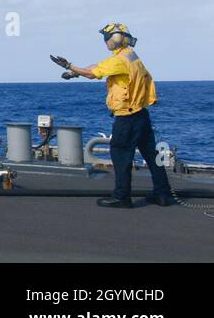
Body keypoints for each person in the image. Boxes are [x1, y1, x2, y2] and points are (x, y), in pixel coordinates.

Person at [52, 23, 176, 208]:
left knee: (120, 155)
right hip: (141, 115)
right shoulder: (131, 56)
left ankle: (122, 197)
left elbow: (94, 73)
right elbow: (99, 66)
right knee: (151, 155)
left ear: (117, 39)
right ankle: (163, 194)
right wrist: (74, 73)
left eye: (107, 38)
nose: (105, 42)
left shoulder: (119, 60)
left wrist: (70, 65)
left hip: (127, 118)